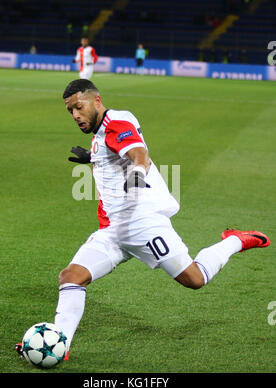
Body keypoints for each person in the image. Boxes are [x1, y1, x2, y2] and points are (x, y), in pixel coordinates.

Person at [15, 79, 270, 361]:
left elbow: (140, 157)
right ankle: (58, 345)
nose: (75, 115)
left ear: (96, 100)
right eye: (70, 111)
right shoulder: (101, 134)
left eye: (79, 107)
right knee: (71, 277)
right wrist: (93, 157)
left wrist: (134, 187)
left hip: (143, 223)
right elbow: (115, 153)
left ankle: (235, 240)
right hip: (113, 230)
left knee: (194, 279)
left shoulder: (117, 123)